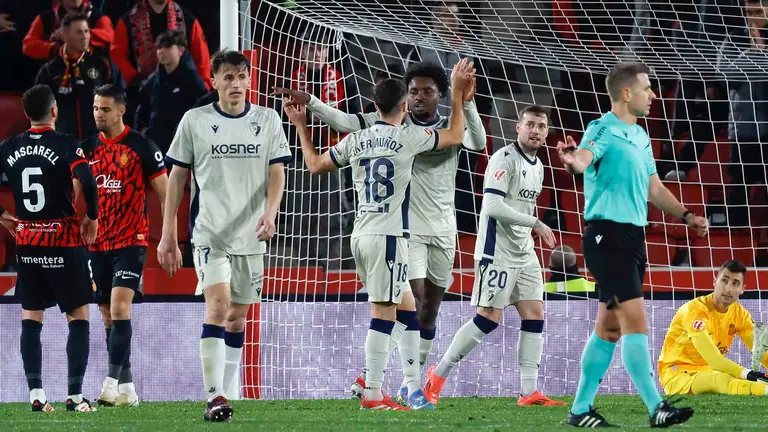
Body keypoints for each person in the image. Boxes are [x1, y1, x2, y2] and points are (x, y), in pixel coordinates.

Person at [272, 61, 486, 403]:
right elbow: (342, 119)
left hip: (437, 229)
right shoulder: (409, 134)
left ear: (439, 96)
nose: (418, 98)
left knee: (423, 310)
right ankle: (400, 387)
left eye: (427, 91)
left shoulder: (389, 132)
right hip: (401, 232)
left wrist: (467, 100)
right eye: (412, 91)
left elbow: (474, 141)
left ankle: (383, 380)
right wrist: (312, 102)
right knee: (402, 307)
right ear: (404, 100)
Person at [556, 61, 709, 428]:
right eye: (647, 87)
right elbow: (583, 159)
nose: (653, 94)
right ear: (627, 93)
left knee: (609, 329)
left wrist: (687, 216)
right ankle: (656, 406)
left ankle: (579, 410)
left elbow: (654, 188)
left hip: (632, 238)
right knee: (635, 324)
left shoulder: (640, 136)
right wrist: (572, 159)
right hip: (606, 237)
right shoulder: (601, 128)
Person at [158, 50, 291, 422]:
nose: (236, 83)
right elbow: (178, 178)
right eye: (228, 77)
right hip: (209, 233)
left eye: (242, 76)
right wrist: (168, 233)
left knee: (237, 318)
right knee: (217, 307)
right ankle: (214, 396)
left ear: (250, 80)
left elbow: (278, 170)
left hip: (251, 235)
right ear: (213, 81)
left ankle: (228, 392)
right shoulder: (194, 120)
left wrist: (271, 212)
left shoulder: (267, 120)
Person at [422, 105, 564, 407]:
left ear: (547, 132)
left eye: (541, 126)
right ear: (518, 127)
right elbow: (492, 207)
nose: (535, 130)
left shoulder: (538, 166)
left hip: (523, 252)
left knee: (535, 314)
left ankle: (528, 392)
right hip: (496, 251)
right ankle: (437, 375)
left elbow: (523, 207)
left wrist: (531, 226)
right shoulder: (504, 159)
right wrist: (536, 224)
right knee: (488, 317)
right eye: (530, 124)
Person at [3, 84, 99, 412]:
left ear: (27, 114)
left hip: (28, 243)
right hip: (63, 240)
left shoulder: (9, 146)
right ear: (54, 111)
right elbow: (87, 180)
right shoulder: (67, 144)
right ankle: (74, 395)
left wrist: (3, 217)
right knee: (79, 316)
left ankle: (36, 395)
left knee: (31, 316)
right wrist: (93, 217)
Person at [79, 84, 168, 408]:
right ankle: (128, 391)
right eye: (95, 108)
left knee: (119, 308)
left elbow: (166, 191)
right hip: (97, 244)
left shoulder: (141, 146)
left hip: (131, 241)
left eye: (104, 109)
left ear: (120, 110)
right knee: (107, 315)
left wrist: (169, 236)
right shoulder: (86, 149)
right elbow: (73, 192)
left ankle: (110, 383)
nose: (98, 114)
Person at [658, 260, 768, 395]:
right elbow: (716, 361)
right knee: (723, 379)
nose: (728, 288)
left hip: (708, 371)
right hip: (677, 374)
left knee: (737, 379)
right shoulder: (695, 311)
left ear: (742, 289)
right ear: (715, 282)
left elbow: (760, 351)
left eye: (735, 283)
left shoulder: (740, 314)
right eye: (724, 281)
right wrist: (750, 374)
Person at [35, 11, 123, 140]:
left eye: (86, 31)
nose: (85, 37)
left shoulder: (103, 65)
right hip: (62, 145)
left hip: (99, 143)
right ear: (65, 36)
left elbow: (121, 100)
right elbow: (39, 110)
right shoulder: (50, 70)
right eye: (79, 32)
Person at [136, 29, 208, 155]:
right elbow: (142, 105)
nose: (161, 51)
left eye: (168, 47)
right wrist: (142, 130)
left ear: (181, 50)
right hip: (155, 147)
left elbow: (203, 108)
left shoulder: (192, 80)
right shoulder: (154, 80)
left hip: (182, 147)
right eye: (159, 48)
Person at [22, 0, 113, 61]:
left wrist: (79, 33)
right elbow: (27, 45)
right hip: (54, 73)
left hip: (91, 74)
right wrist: (55, 49)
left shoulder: (98, 17)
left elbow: (111, 37)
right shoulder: (45, 18)